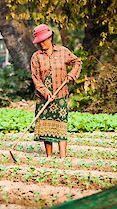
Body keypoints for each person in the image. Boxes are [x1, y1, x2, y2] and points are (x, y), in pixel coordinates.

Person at [30, 24, 82, 158]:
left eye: (44, 40)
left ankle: (63, 158)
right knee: (47, 127)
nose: (42, 43)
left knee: (61, 125)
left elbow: (77, 62)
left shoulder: (63, 52)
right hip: (44, 97)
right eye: (40, 41)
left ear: (50, 37)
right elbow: (36, 79)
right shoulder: (36, 57)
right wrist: (46, 93)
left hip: (60, 95)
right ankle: (49, 157)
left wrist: (71, 74)